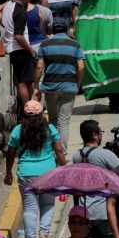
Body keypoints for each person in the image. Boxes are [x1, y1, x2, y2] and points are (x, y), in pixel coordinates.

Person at [4, 100, 66, 238]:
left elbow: (10, 153)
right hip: (48, 173)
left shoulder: (18, 130)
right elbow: (59, 149)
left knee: (29, 209)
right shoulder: (50, 129)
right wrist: (64, 168)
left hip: (26, 173)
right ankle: (43, 233)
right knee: (48, 204)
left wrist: (8, 172)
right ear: (41, 113)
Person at [71, 120, 119, 238]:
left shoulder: (76, 156)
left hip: (85, 213)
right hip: (104, 212)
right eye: (99, 132)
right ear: (94, 135)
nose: (100, 136)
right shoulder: (105, 155)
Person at [34, 18, 85, 149]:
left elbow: (39, 67)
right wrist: (78, 84)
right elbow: (81, 67)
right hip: (69, 87)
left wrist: (36, 87)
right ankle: (62, 151)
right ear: (67, 29)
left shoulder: (44, 44)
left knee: (52, 119)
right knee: (64, 121)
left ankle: (52, 150)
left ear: (52, 29)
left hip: (50, 87)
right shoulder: (75, 45)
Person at [2, 0, 37, 110]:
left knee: (23, 81)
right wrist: (31, 50)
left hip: (12, 48)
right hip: (20, 50)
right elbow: (18, 35)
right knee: (24, 83)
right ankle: (28, 111)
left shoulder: (8, 6)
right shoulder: (20, 11)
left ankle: (26, 109)